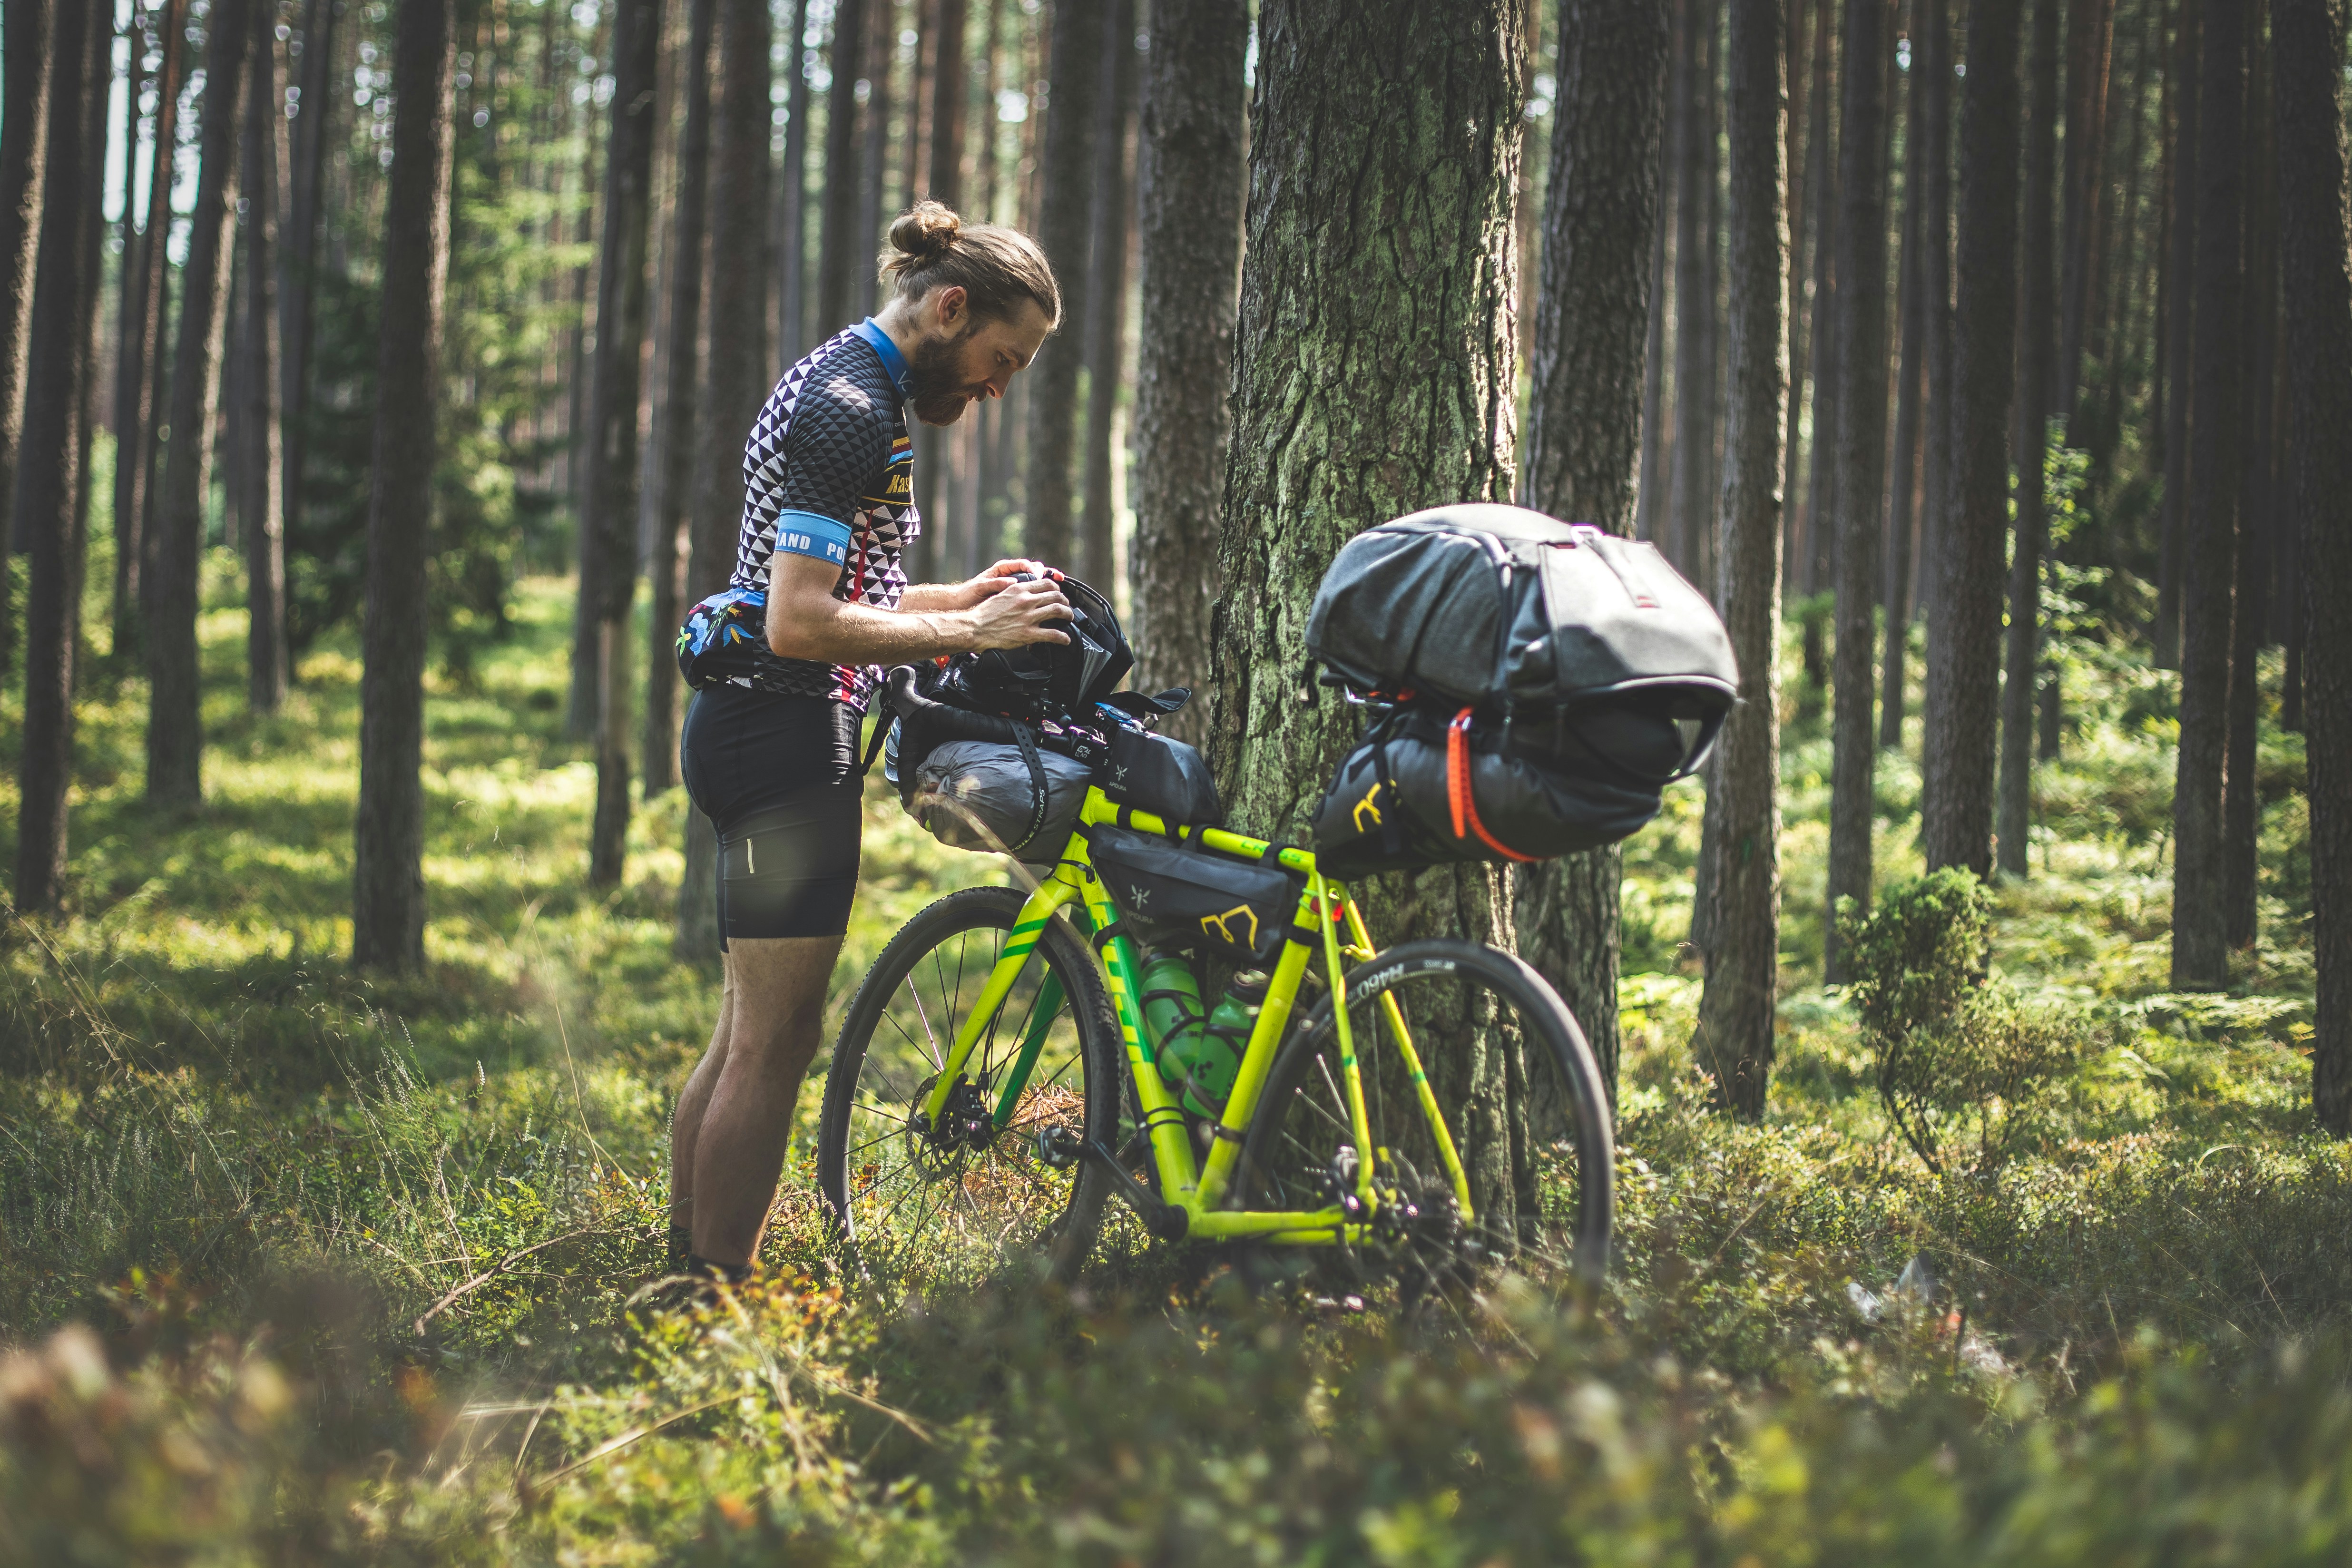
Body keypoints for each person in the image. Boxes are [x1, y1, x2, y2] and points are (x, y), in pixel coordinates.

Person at [667, 201, 1070, 1282]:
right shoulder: (853, 408)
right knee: (773, 1043)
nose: (995, 387)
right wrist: (964, 630)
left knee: (745, 1031)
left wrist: (959, 595)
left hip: (763, 725)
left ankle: (682, 1271)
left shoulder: (850, 382)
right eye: (1001, 358)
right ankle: (714, 1303)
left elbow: (839, 591)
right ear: (950, 307)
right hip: (784, 734)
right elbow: (800, 619)